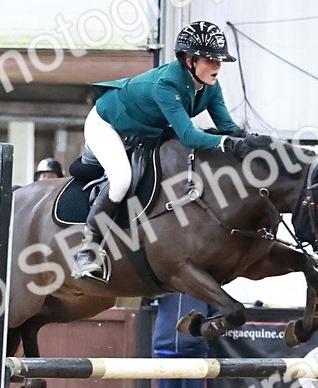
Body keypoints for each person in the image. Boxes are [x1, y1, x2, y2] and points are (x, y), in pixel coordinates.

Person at [75, 21, 251, 278]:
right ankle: (87, 250)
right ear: (189, 60)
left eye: (219, 61)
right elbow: (189, 135)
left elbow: (228, 127)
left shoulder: (211, 86)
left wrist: (255, 142)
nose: (217, 67)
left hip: (146, 129)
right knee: (122, 180)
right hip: (107, 124)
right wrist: (225, 142)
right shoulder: (166, 84)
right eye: (210, 60)